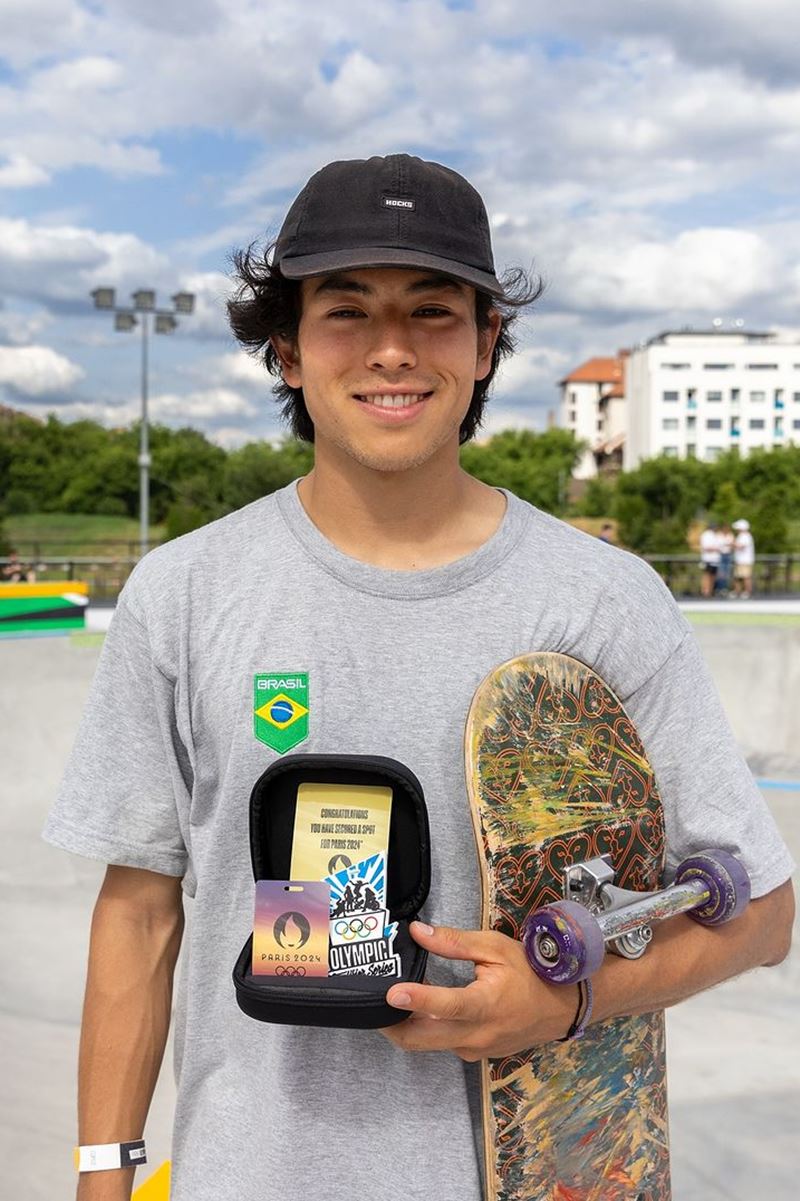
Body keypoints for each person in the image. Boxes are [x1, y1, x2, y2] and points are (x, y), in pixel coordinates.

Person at [43, 154, 794, 1201]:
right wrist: (101, 1171)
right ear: (286, 350)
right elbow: (137, 909)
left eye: (432, 312)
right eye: (345, 311)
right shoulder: (184, 595)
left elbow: (762, 912)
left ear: (485, 345)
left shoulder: (602, 601)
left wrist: (567, 1001)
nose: (391, 348)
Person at [732, 518, 755, 599]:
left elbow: (741, 546)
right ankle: (737, 591)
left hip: (745, 561)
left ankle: (747, 592)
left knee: (746, 576)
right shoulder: (741, 536)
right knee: (737, 577)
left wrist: (732, 543)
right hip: (740, 560)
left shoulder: (745, 536)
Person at [699, 522, 721, 597]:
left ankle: (710, 591)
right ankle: (705, 591)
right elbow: (706, 547)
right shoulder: (706, 535)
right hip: (708, 559)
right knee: (707, 575)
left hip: (715, 559)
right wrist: (716, 549)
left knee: (713, 576)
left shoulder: (715, 535)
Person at [715, 523, 734, 596]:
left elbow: (732, 545)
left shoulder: (730, 535)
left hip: (728, 555)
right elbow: (718, 545)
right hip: (721, 555)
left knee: (727, 573)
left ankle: (725, 589)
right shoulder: (719, 535)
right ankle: (719, 588)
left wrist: (727, 545)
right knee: (720, 573)